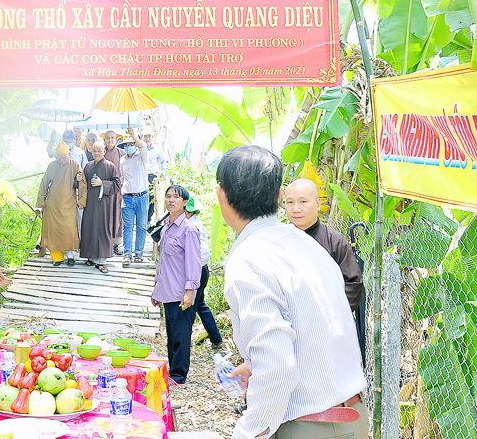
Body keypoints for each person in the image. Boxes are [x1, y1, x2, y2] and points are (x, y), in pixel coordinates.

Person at [217, 146, 367, 439]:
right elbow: (319, 328)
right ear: (278, 196)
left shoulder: (248, 259)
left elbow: (277, 367)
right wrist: (255, 364)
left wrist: (249, 432)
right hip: (350, 418)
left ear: (221, 194)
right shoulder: (307, 245)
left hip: (309, 427)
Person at [150, 185, 204, 387]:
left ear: (185, 203)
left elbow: (193, 263)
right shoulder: (166, 227)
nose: (171, 200)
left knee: (181, 333)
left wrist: (190, 292)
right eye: (168, 196)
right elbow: (163, 262)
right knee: (172, 333)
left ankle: (179, 376)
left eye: (176, 197)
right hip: (168, 290)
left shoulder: (189, 229)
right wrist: (157, 289)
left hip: (181, 292)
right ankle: (173, 372)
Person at [284, 178, 363, 311]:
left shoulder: (335, 242)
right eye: (290, 202)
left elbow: (353, 283)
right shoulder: (278, 241)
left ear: (318, 204)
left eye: (303, 202)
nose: (296, 209)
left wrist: (332, 314)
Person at [35, 141, 87, 267]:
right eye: (60, 157)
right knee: (54, 231)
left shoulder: (75, 165)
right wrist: (41, 202)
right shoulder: (52, 166)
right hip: (53, 204)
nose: (62, 160)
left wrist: (82, 200)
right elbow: (44, 183)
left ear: (69, 154)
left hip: (69, 203)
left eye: (64, 157)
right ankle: (57, 258)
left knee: (69, 229)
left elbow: (82, 182)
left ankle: (70, 255)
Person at [184, 195, 224, 350]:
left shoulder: (193, 227)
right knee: (200, 305)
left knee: (190, 307)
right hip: (200, 270)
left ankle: (184, 342)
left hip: (198, 271)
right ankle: (216, 339)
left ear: (188, 211)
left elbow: (203, 253)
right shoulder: (192, 224)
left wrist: (192, 273)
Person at [81, 141, 122, 274]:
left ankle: (101, 261)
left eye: (99, 151)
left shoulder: (110, 166)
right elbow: (82, 184)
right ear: (91, 152)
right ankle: (90, 257)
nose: (97, 153)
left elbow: (117, 184)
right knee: (89, 228)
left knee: (102, 229)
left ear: (104, 152)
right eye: (94, 151)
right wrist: (78, 179)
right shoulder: (88, 166)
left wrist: (102, 183)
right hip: (90, 204)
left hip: (104, 204)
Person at [118, 125, 149, 267]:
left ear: (134, 144)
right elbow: (122, 178)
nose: (128, 147)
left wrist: (133, 135)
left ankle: (139, 253)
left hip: (142, 197)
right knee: (128, 226)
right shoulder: (122, 160)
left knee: (141, 226)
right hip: (127, 197)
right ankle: (127, 254)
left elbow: (143, 147)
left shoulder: (142, 156)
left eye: (131, 144)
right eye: (126, 145)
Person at [103, 130, 126, 255]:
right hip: (104, 189)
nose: (110, 140)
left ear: (116, 139)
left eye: (112, 138)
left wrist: (123, 190)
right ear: (104, 139)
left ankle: (117, 244)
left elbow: (125, 172)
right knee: (105, 215)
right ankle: (105, 243)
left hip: (117, 189)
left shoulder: (121, 153)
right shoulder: (102, 152)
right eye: (108, 138)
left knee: (117, 215)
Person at [144, 130, 167, 223]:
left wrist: (162, 173)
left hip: (153, 177)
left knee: (153, 199)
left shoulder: (157, 149)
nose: (147, 139)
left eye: (149, 136)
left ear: (152, 137)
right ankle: (143, 219)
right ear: (142, 137)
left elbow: (163, 161)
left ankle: (148, 219)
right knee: (143, 198)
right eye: (145, 136)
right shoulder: (140, 149)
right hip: (142, 177)